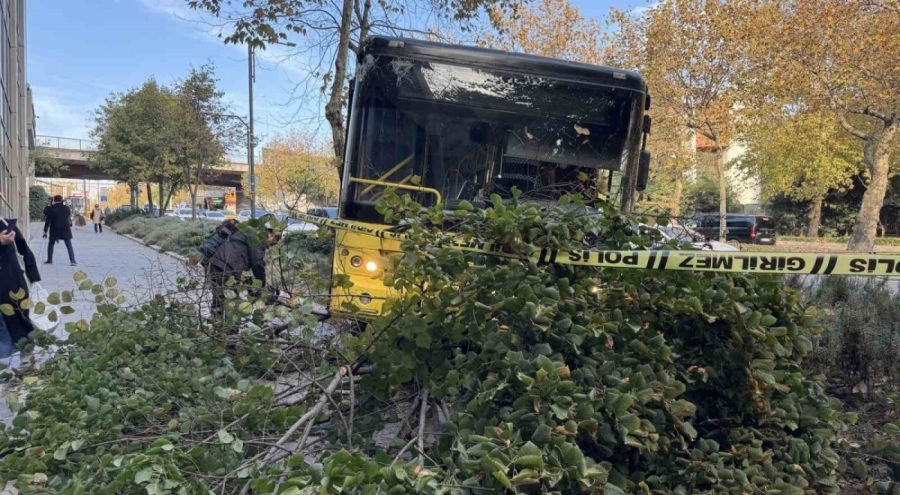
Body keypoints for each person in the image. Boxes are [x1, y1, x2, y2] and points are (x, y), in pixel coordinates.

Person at [204, 220, 280, 328]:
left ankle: (218, 331)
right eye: (272, 243)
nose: (268, 247)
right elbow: (257, 263)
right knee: (234, 304)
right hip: (228, 268)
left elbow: (244, 260)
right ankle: (231, 337)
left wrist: (251, 287)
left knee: (218, 300)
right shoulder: (258, 236)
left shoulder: (247, 231)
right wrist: (261, 285)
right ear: (272, 234)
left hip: (214, 264)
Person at [0, 218, 41, 356]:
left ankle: (27, 366)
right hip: (10, 287)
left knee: (23, 329)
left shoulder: (5, 223)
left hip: (15, 286)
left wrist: (33, 277)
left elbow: (24, 250)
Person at [43, 195, 77, 266]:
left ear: (54, 200)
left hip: (54, 229)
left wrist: (45, 231)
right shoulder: (67, 208)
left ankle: (49, 259)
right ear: (62, 200)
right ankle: (72, 260)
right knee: (68, 244)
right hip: (65, 228)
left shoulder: (51, 209)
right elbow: (68, 217)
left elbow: (48, 221)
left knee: (51, 244)